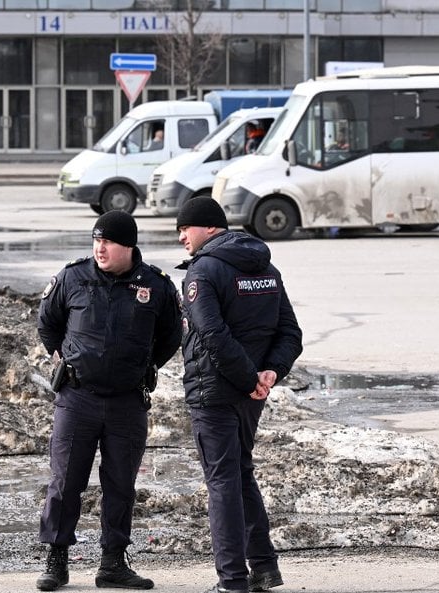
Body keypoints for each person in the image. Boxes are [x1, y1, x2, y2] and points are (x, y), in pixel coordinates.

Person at [36, 211, 183, 592]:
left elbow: (170, 336)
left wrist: (142, 366)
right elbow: (47, 323)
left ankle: (113, 563)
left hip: (127, 403)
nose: (100, 248)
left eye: (109, 242)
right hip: (77, 397)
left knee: (120, 485)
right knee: (65, 482)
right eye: (96, 240)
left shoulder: (156, 285)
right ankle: (57, 559)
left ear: (129, 246)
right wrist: (65, 358)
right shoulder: (73, 277)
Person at [174, 197, 303, 593]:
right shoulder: (266, 268)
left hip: (216, 391)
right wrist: (269, 373)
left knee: (223, 482)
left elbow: (212, 334)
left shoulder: (203, 272)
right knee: (240, 472)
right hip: (251, 393)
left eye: (185, 228)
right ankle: (264, 567)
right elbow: (290, 334)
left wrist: (250, 377)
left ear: (209, 228)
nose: (181, 237)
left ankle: (231, 580)